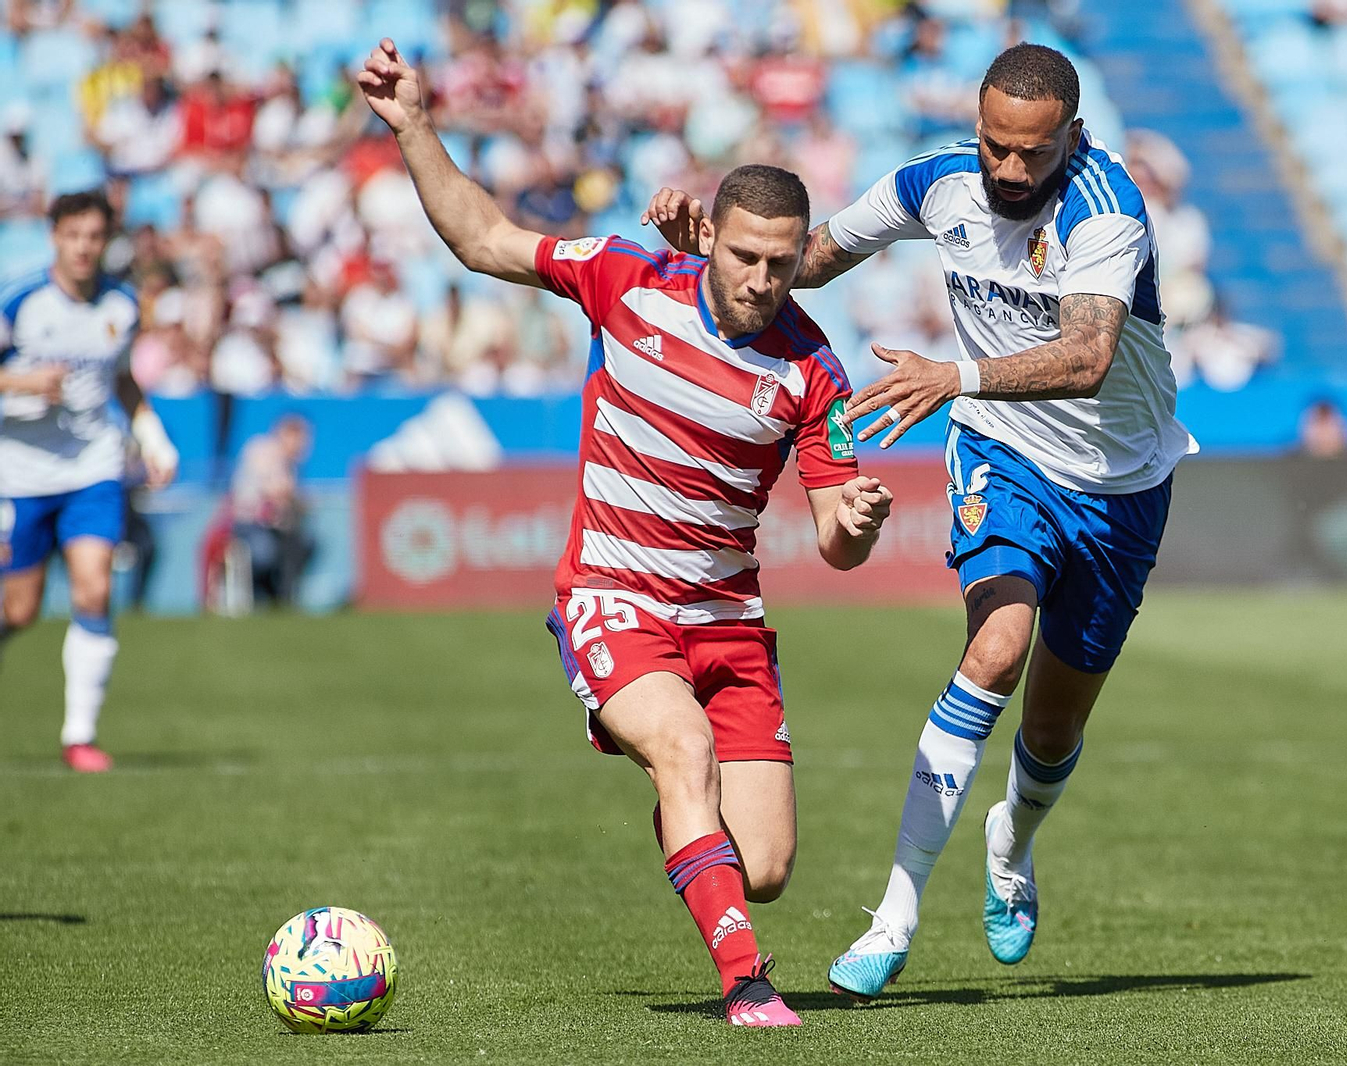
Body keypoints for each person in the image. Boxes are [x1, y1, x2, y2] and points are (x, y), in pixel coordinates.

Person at [359, 38, 893, 1028]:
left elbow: (835, 536)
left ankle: (685, 816)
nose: (763, 279)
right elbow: (485, 239)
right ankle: (746, 983)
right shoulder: (625, 276)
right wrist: (416, 127)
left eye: (783, 264)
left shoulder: (815, 370)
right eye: (745, 256)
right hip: (614, 596)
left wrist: (855, 520)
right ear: (712, 238)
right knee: (682, 747)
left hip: (728, 620)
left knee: (764, 863)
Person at [648, 41, 1196, 999]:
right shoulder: (932, 183)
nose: (1011, 170)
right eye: (995, 147)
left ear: (1076, 137)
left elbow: (1088, 358)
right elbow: (807, 263)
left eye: (1033, 153)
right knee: (996, 652)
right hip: (1005, 452)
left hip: (1122, 484)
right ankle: (893, 916)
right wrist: (712, 249)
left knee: (1056, 729)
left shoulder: (1106, 208)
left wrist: (953, 376)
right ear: (975, 130)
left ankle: (1013, 844)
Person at [0, 189, 178, 772]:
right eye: (74, 236)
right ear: (55, 236)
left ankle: (80, 736)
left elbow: (123, 380)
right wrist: (24, 385)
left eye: (94, 237)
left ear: (106, 241)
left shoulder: (121, 306)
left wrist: (152, 439)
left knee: (93, 589)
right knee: (20, 610)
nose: (84, 248)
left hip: (92, 468)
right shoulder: (20, 304)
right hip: (21, 473)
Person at [231, 413, 315, 607]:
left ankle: (281, 599)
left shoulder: (292, 465)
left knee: (303, 544)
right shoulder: (262, 449)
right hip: (248, 524)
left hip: (276, 528)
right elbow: (276, 490)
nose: (305, 444)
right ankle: (261, 599)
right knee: (264, 553)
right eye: (301, 437)